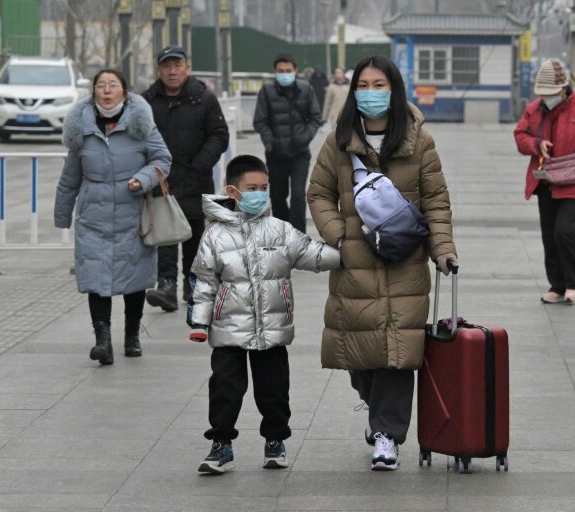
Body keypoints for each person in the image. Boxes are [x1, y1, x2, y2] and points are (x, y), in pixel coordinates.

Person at [307, 55, 457, 471]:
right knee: (360, 356)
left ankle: (387, 435)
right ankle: (378, 411)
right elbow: (318, 193)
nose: (370, 93)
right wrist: (339, 235)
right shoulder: (339, 141)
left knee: (397, 351)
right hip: (355, 263)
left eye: (379, 85)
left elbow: (436, 200)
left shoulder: (419, 141)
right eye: (364, 85)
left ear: (394, 90)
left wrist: (443, 249)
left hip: (405, 261)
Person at [188, 154, 340, 474]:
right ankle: (221, 444)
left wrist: (350, 253)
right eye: (251, 188)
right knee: (225, 388)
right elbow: (204, 280)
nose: (259, 194)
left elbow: (312, 253)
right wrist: (199, 321)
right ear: (232, 192)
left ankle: (275, 439)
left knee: (274, 389)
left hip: (272, 326)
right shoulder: (215, 235)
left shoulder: (280, 230)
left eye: (264, 188)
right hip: (228, 327)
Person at [54, 69, 172, 364]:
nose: (106, 90)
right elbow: (70, 177)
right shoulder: (82, 127)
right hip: (93, 216)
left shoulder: (141, 125)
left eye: (113, 85)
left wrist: (142, 179)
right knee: (96, 277)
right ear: (93, 92)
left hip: (134, 215)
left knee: (134, 276)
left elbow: (162, 159)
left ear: (124, 91)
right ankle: (102, 341)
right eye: (101, 86)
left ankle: (132, 336)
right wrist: (62, 215)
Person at [513, 58, 575, 304]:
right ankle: (556, 285)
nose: (547, 98)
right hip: (546, 182)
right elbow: (520, 135)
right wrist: (537, 144)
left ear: (563, 89)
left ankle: (573, 283)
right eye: (543, 94)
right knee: (549, 235)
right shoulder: (535, 109)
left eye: (551, 94)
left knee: (564, 232)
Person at [143, 45, 230, 312]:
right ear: (159, 70)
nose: (172, 71)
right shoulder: (147, 101)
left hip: (195, 179)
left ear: (187, 68)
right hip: (162, 181)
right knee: (166, 234)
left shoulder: (203, 98)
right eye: (167, 66)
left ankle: (192, 286)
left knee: (194, 235)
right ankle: (166, 285)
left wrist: (200, 165)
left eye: (177, 65)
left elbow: (219, 135)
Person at [253, 53, 322, 234]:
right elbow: (260, 121)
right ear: (275, 72)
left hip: (300, 154)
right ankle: (282, 232)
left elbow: (315, 118)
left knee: (298, 195)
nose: (285, 74)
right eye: (281, 71)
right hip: (276, 155)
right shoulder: (266, 91)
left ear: (295, 70)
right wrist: (270, 143)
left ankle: (298, 235)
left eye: (288, 70)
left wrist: (305, 138)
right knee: (278, 196)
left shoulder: (306, 89)